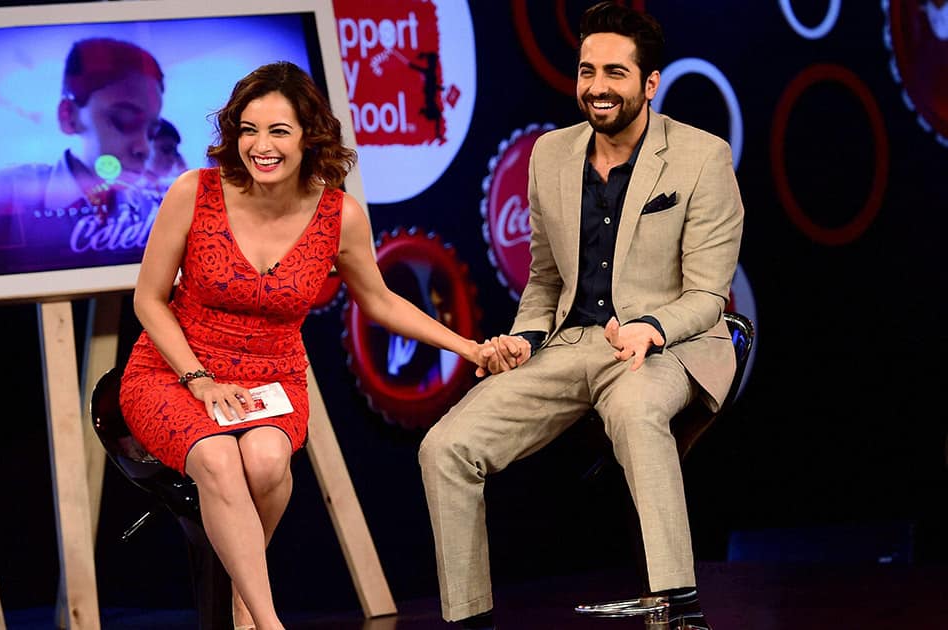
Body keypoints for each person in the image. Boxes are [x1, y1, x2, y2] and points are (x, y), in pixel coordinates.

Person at [118, 61, 487, 630]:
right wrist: (199, 379)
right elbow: (148, 300)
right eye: (248, 129)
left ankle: (242, 603)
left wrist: (467, 347)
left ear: (309, 136)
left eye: (278, 131)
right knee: (217, 457)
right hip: (176, 370)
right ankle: (266, 622)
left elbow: (382, 302)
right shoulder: (194, 192)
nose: (260, 146)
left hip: (272, 376)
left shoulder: (340, 217)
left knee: (265, 463)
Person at [418, 3, 743, 629]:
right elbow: (544, 279)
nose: (598, 87)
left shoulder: (702, 157)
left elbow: (708, 296)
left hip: (670, 343)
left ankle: (679, 607)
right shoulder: (549, 154)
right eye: (587, 70)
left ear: (649, 84)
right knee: (446, 446)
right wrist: (523, 339)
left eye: (616, 73)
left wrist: (651, 328)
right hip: (571, 343)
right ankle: (469, 618)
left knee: (635, 410)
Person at [0, 37, 165, 275]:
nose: (144, 148)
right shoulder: (1, 195)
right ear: (68, 115)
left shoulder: (155, 209)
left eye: (152, 131)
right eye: (124, 119)